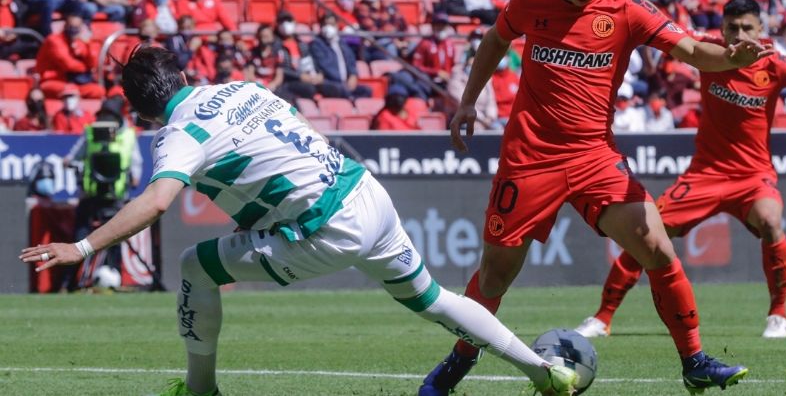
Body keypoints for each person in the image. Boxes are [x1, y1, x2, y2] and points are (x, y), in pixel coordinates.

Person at [20, 46, 580, 396]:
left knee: (195, 265)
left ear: (141, 112)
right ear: (187, 72)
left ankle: (200, 390)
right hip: (365, 191)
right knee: (432, 299)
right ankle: (544, 373)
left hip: (327, 227)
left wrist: (85, 246)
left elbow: (158, 201)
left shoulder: (179, 135)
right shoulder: (242, 87)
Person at [419, 0, 774, 394]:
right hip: (530, 159)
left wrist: (731, 58)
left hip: (594, 156)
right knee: (495, 274)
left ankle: (695, 361)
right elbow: (495, 40)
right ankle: (458, 364)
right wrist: (467, 101)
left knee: (656, 246)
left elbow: (690, 49)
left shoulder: (626, 6)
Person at [574, 0, 786, 341]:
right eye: (732, 28)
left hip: (753, 176)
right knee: (645, 235)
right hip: (704, 175)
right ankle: (603, 317)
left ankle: (778, 315)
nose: (740, 34)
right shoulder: (705, 51)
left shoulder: (777, 65)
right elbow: (652, 13)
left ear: (761, 30)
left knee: (771, 221)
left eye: (747, 27)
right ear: (722, 29)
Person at [62, 95, 142, 290]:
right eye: (103, 115)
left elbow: (136, 168)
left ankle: (114, 280)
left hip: (115, 196)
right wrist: (77, 166)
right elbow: (71, 158)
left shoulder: (129, 136)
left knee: (116, 239)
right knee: (79, 239)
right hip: (90, 194)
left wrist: (131, 176)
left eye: (110, 116)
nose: (105, 120)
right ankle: (69, 283)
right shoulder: (89, 133)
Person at [35, 11, 105, 99]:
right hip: (53, 80)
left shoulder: (81, 40)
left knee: (98, 90)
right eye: (71, 26)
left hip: (75, 82)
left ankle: (82, 111)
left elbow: (93, 63)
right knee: (70, 90)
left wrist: (88, 43)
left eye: (76, 27)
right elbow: (68, 64)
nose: (73, 30)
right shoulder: (53, 40)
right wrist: (86, 68)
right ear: (65, 26)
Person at [308, 13, 372, 99]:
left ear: (337, 26)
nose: (328, 28)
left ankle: (354, 104)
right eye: (325, 25)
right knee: (339, 89)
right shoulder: (317, 44)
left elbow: (351, 60)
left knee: (367, 90)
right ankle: (351, 100)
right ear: (321, 27)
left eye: (332, 24)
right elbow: (324, 65)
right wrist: (341, 82)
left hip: (345, 83)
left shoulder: (342, 43)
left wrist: (353, 75)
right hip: (330, 82)